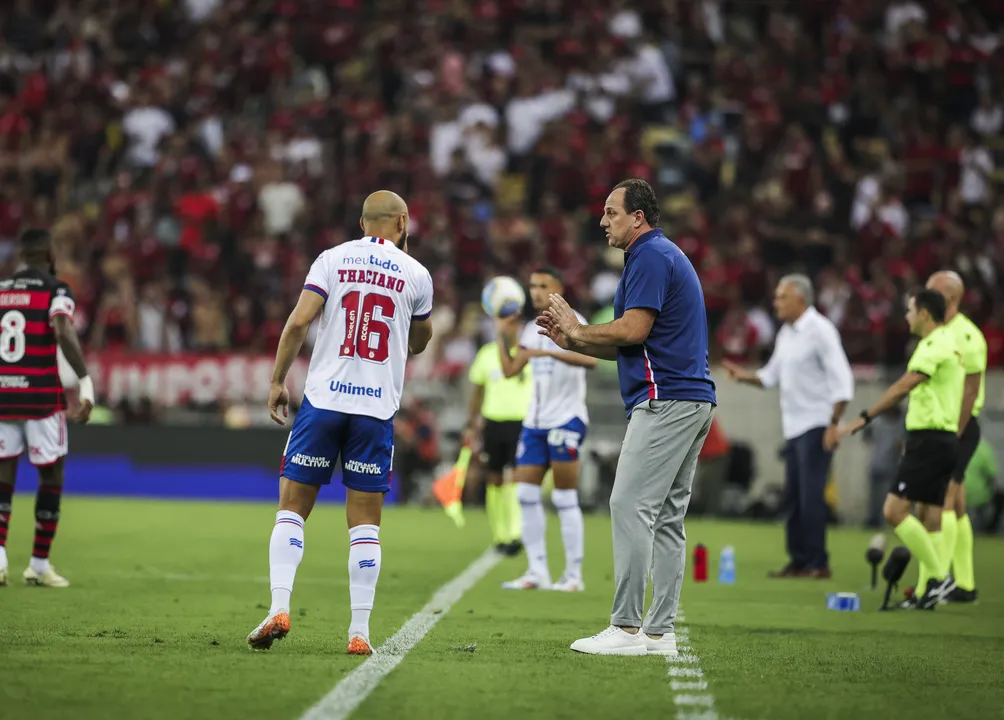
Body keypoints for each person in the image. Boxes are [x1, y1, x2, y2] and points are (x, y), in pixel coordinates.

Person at [247, 191, 434, 654]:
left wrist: (276, 381)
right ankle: (359, 632)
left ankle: (278, 607)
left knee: (291, 510)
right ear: (403, 223)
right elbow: (419, 342)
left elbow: (297, 323)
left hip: (323, 401)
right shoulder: (417, 274)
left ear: (362, 222)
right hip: (374, 411)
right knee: (365, 525)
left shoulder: (332, 259)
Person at [537, 179, 716, 656]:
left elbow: (633, 329)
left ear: (638, 217)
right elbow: (638, 345)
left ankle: (627, 627)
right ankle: (659, 633)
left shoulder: (649, 256)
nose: (603, 220)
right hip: (692, 398)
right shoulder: (663, 255)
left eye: (611, 212)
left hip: (667, 399)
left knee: (628, 505)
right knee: (668, 518)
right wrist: (572, 340)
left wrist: (578, 328)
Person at [722, 275, 854, 579]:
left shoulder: (820, 331)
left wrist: (834, 425)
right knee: (793, 497)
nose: (776, 302)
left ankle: (818, 563)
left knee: (811, 495)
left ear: (800, 299)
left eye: (782, 297)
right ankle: (798, 561)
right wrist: (743, 376)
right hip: (794, 427)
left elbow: (843, 382)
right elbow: (770, 376)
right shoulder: (787, 333)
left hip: (818, 424)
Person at [837, 289, 962, 610]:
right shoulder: (949, 342)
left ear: (923, 313)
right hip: (944, 439)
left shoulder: (932, 346)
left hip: (929, 441)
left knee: (893, 511)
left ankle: (938, 577)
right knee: (930, 517)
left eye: (909, 310)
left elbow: (902, 387)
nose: (906, 316)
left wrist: (864, 418)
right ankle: (927, 593)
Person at [0, 228, 94, 588]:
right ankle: (38, 564)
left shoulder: (3, 289)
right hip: (40, 396)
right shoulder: (56, 289)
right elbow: (61, 328)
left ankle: (0, 558)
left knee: (3, 475)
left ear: (22, 255)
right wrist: (85, 381)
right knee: (51, 474)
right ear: (49, 255)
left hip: (3, 396)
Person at [496, 268, 596, 591]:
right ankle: (537, 570)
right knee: (525, 493)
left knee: (565, 497)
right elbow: (511, 370)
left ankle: (574, 575)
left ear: (558, 288)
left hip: (566, 418)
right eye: (532, 286)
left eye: (543, 286)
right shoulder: (529, 329)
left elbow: (593, 361)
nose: (536, 292)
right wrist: (503, 335)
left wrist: (548, 351)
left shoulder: (574, 321)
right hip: (535, 423)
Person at [925, 271, 985, 603]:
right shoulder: (937, 330)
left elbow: (971, 389)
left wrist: (955, 431)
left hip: (959, 425)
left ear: (951, 299)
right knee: (957, 505)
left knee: (944, 499)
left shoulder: (969, 337)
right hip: (943, 424)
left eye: (931, 292)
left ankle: (940, 579)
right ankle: (965, 584)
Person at [463, 320, 532, 556]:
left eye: (513, 324)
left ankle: (514, 533)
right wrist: (472, 423)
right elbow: (477, 391)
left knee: (515, 476)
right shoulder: (487, 354)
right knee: (493, 478)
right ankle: (499, 534)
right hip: (493, 422)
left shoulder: (527, 353)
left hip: (520, 422)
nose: (508, 329)